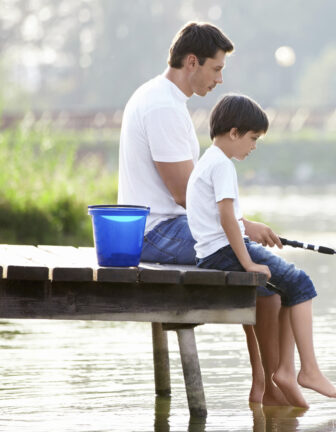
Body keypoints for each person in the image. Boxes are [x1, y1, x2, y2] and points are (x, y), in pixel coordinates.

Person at [116, 21, 288, 406]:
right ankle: (268, 385)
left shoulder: (161, 97)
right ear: (191, 62)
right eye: (216, 68)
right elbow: (184, 194)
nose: (220, 79)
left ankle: (265, 382)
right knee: (261, 268)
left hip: (161, 226)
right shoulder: (162, 105)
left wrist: (241, 229)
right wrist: (242, 227)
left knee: (254, 262)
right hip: (156, 232)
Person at [187, 94, 336, 406]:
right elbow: (227, 219)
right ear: (234, 132)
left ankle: (285, 372)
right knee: (302, 283)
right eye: (252, 138)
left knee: (288, 289)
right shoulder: (222, 166)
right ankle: (308, 370)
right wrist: (247, 262)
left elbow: (225, 219)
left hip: (211, 253)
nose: (254, 146)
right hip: (225, 253)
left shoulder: (208, 161)